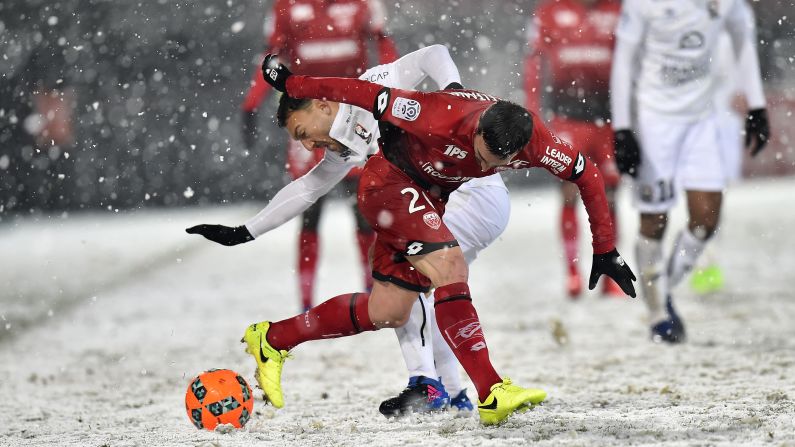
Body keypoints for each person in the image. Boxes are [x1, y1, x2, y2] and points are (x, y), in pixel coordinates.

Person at [239, 51, 637, 426]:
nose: (482, 166)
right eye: (480, 155)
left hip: (430, 194)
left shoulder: (539, 143)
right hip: (388, 183)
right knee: (448, 268)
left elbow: (588, 176)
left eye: (494, 164)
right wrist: (295, 84)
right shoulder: (435, 113)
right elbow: (365, 94)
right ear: (477, 130)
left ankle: (273, 337)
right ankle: (487, 391)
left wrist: (605, 248)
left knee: (389, 309)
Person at [188, 45, 507, 416]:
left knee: (405, 276)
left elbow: (433, 53)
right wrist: (246, 231)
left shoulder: (376, 84)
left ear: (322, 106)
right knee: (406, 295)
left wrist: (453, 90)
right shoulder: (341, 149)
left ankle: (431, 385)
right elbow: (307, 187)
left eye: (304, 132)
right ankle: (451, 392)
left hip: (473, 196)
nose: (308, 145)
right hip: (464, 202)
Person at [610, 0, 770, 343]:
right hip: (653, 121)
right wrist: (622, 128)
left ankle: (662, 287)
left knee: (707, 218)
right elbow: (623, 61)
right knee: (655, 219)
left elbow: (743, 38)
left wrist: (756, 104)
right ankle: (658, 315)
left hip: (701, 119)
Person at [240, 0, 399, 311]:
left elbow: (385, 46)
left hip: (355, 113)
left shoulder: (365, 3)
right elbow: (270, 57)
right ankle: (306, 302)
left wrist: (392, 95)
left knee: (365, 208)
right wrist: (251, 105)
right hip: (308, 118)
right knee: (310, 210)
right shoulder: (286, 6)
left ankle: (372, 292)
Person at [525, 0, 624, 299]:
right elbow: (533, 64)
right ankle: (573, 273)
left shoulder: (619, 9)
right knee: (570, 189)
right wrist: (532, 115)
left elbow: (634, 61)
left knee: (611, 197)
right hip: (567, 116)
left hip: (609, 117)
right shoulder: (549, 11)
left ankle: (609, 275)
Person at [690, 15, 764, 294]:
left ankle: (709, 257)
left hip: (725, 122)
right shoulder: (687, 22)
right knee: (698, 192)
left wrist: (747, 94)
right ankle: (701, 258)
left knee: (717, 193)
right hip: (694, 121)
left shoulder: (736, 20)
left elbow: (746, 62)